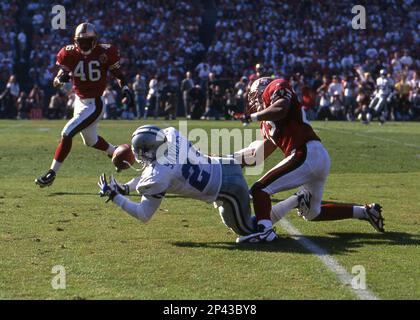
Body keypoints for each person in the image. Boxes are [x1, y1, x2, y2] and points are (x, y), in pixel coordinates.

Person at [236, 77, 384, 243]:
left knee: (259, 190)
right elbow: (258, 154)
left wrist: (252, 117)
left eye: (255, 95)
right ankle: (365, 212)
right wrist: (229, 161)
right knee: (313, 213)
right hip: (313, 157)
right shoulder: (266, 123)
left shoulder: (275, 86)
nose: (253, 100)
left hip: (305, 152)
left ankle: (265, 231)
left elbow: (282, 108)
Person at [97, 125, 256, 237]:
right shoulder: (172, 135)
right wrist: (125, 188)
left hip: (228, 188)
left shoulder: (158, 175)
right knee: (230, 219)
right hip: (224, 163)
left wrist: (115, 197)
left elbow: (143, 214)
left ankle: (267, 227)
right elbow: (159, 170)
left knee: (249, 233)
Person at [35, 22, 134, 188]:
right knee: (91, 141)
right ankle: (117, 153)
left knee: (67, 133)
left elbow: (119, 75)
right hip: (79, 102)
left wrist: (125, 88)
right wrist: (60, 80)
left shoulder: (105, 52)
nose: (85, 45)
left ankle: (52, 173)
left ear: (95, 41)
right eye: (82, 41)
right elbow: (56, 81)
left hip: (95, 103)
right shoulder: (68, 53)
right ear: (76, 41)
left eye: (88, 41)